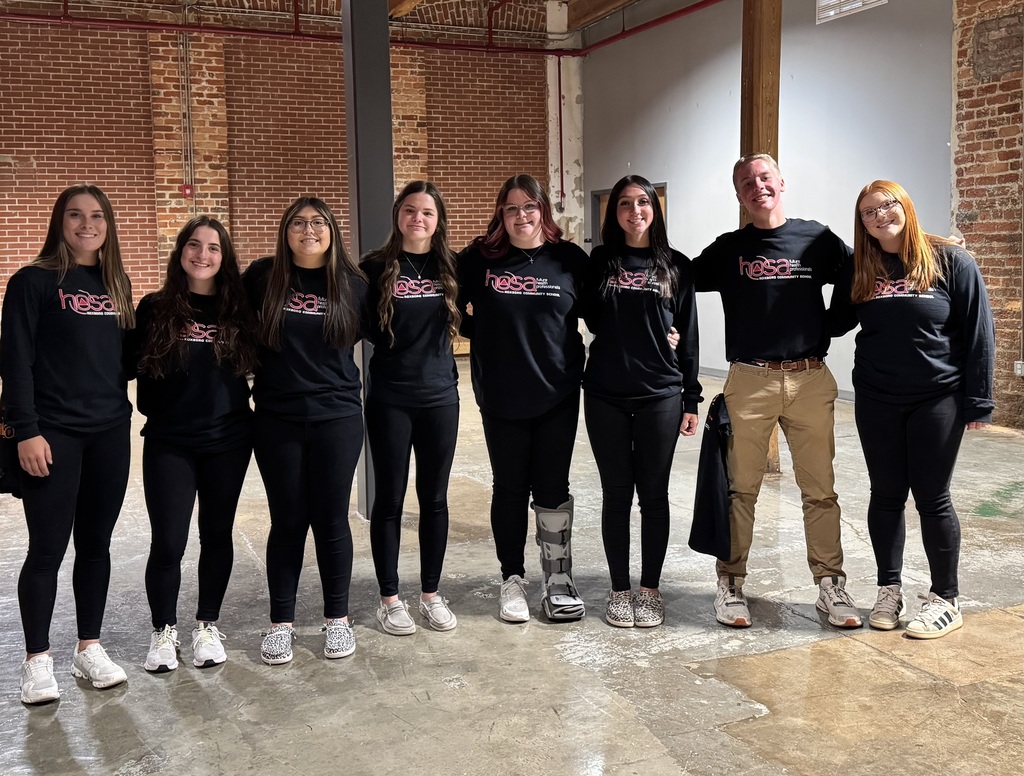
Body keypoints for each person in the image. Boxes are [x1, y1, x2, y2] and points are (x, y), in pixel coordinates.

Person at [692, 154, 862, 630]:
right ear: (739, 194)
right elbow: (674, 278)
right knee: (740, 488)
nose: (757, 186)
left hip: (810, 379)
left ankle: (830, 585)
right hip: (750, 380)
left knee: (819, 491)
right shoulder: (729, 250)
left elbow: (859, 270)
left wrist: (831, 326)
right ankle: (729, 584)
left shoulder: (817, 239)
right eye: (747, 182)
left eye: (764, 178)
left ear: (781, 183)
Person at [830, 180, 994, 639]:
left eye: (887, 205)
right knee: (885, 494)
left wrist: (979, 399)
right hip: (877, 396)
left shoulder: (950, 260)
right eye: (868, 212)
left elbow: (979, 331)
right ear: (861, 224)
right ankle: (888, 589)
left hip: (937, 397)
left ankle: (946, 598)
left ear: (905, 206)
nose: (880, 215)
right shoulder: (862, 267)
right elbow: (834, 322)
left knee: (932, 496)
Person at [1, 185, 135, 704]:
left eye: (97, 215)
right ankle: (37, 659)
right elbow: (15, 361)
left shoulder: (115, 283)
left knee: (96, 545)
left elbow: (121, 360)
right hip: (52, 433)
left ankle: (89, 648)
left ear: (108, 224)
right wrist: (25, 429)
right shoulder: (32, 282)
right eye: (75, 215)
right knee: (47, 547)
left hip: (109, 432)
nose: (86, 224)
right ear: (60, 221)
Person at [127, 216, 257, 672]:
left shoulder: (238, 310)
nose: (203, 255)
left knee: (216, 534)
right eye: (195, 245)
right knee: (169, 541)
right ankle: (163, 632)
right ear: (180, 251)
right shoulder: (155, 308)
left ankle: (206, 626)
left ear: (225, 258)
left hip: (229, 440)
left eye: (214, 248)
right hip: (170, 442)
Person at [457, 174, 589, 622]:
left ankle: (557, 576)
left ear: (543, 211)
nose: (521, 216)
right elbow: (445, 300)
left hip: (558, 392)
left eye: (529, 207)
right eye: (511, 209)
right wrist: (479, 330)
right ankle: (512, 577)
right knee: (510, 488)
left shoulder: (568, 259)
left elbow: (605, 313)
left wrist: (662, 333)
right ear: (501, 214)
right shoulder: (480, 259)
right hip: (500, 394)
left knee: (553, 487)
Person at [243, 197, 367, 664]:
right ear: (285, 230)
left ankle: (338, 618)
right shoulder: (262, 277)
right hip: (277, 418)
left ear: (332, 230)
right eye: (298, 223)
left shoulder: (353, 283)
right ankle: (282, 623)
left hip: (336, 415)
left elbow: (382, 332)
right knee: (289, 520)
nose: (308, 230)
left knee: (332, 519)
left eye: (318, 223)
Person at [583, 175, 702, 628]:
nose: (636, 211)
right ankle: (618, 590)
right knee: (616, 495)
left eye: (643, 202)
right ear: (614, 213)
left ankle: (649, 590)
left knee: (653, 495)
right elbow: (589, 317)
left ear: (655, 208)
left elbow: (687, 334)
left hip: (660, 395)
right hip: (606, 395)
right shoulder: (599, 262)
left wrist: (691, 397)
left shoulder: (676, 265)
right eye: (626, 204)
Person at [361, 181, 461, 635]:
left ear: (438, 221)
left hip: (440, 396)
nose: (417, 219)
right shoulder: (373, 268)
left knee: (435, 499)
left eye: (426, 212)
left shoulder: (452, 267)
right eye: (409, 210)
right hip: (390, 398)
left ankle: (431, 594)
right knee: (390, 498)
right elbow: (350, 322)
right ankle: (390, 598)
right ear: (397, 215)